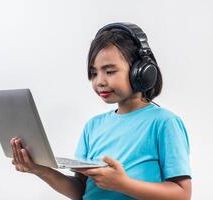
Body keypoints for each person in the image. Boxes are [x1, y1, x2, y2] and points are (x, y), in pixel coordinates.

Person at [10, 22, 192, 200]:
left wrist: (123, 184)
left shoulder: (164, 123)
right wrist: (39, 169)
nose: (99, 81)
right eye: (94, 73)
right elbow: (79, 190)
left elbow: (182, 194)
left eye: (110, 71)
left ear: (141, 72)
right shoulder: (93, 126)